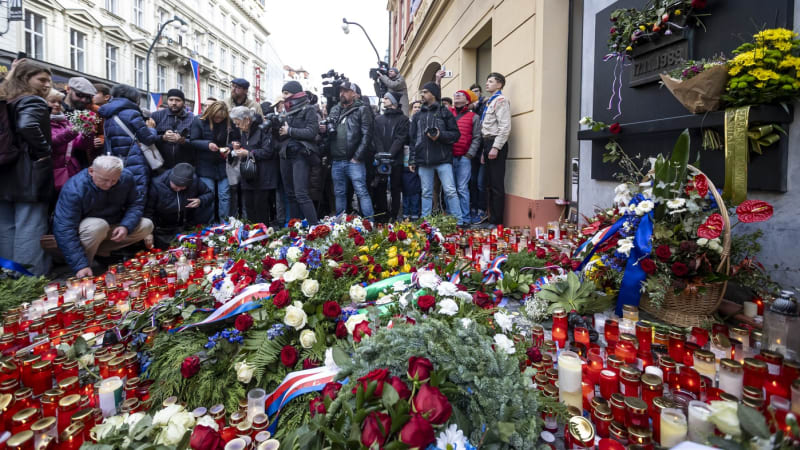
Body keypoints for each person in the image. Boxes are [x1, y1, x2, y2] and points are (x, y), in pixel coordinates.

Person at [54, 155, 153, 277]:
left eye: (114, 180)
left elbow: (135, 204)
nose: (109, 184)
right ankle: (84, 269)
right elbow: (64, 228)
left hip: (111, 225)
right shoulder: (75, 189)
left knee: (146, 225)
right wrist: (80, 265)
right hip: (87, 230)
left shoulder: (126, 178)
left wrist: (126, 226)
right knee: (98, 226)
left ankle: (102, 252)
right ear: (91, 171)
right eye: (104, 180)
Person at [0, 60, 54, 275]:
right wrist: (44, 151)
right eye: (42, 80)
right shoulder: (32, 100)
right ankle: (27, 280)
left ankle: (8, 278)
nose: (47, 85)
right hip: (29, 173)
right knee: (30, 227)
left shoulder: (7, 100)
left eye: (49, 81)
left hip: (6, 172)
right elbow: (27, 125)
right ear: (25, 78)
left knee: (6, 228)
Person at [408, 81, 463, 224]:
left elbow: (456, 135)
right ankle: (425, 223)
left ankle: (459, 222)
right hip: (423, 161)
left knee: (450, 191)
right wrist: (412, 160)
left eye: (425, 92)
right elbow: (412, 140)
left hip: (443, 159)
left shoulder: (444, 112)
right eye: (422, 92)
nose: (422, 94)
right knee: (426, 193)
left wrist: (440, 135)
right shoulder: (417, 116)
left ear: (433, 94)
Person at [324, 81, 374, 219]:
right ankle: (340, 225)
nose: (342, 93)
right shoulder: (335, 110)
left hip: (354, 161)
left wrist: (357, 157)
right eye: (341, 91)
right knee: (339, 193)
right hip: (337, 160)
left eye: (345, 91)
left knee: (361, 192)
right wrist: (324, 129)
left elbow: (367, 135)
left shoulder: (362, 109)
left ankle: (369, 223)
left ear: (354, 93)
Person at [98, 84, 157, 199]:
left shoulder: (108, 113)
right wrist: (151, 129)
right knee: (137, 193)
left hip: (115, 159)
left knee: (119, 192)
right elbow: (148, 139)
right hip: (134, 158)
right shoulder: (132, 113)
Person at [276, 80, 319, 224]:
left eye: (286, 93)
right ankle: (295, 228)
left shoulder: (309, 109)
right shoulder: (285, 112)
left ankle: (315, 228)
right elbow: (280, 136)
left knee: (301, 194)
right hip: (285, 154)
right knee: (290, 195)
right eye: (283, 93)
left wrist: (290, 131)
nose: (283, 96)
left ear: (296, 94)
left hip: (301, 154)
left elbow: (312, 132)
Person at [144, 163, 212, 249]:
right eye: (176, 186)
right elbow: (148, 210)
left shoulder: (194, 180)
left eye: (183, 187)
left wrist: (200, 200)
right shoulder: (157, 184)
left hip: (187, 226)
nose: (179, 189)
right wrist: (148, 232)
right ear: (171, 179)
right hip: (163, 229)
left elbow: (209, 194)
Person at [230, 106, 279, 225]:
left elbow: (268, 152)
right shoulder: (244, 131)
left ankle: (262, 232)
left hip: (262, 176)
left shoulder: (263, 129)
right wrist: (238, 148)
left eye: (238, 123)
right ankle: (253, 232)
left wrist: (249, 153)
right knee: (249, 206)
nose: (236, 126)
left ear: (247, 120)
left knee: (260, 207)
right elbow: (248, 147)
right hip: (249, 176)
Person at [190, 101, 232, 223]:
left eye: (221, 118)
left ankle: (225, 224)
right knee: (209, 194)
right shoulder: (199, 121)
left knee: (225, 195)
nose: (218, 120)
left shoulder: (228, 122)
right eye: (216, 117)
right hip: (205, 164)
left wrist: (229, 147)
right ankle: (208, 224)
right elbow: (193, 140)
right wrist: (207, 145)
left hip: (223, 164)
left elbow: (234, 139)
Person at [372, 91, 408, 223]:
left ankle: (394, 214)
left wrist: (389, 155)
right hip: (381, 159)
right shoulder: (378, 119)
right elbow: (376, 138)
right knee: (381, 186)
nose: (384, 99)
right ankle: (383, 213)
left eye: (387, 98)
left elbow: (400, 138)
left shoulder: (403, 119)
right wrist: (382, 155)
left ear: (393, 101)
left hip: (396, 159)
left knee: (395, 187)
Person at [481, 72, 511, 226]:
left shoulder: (501, 101)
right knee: (489, 184)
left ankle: (497, 222)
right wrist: (484, 151)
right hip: (487, 143)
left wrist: (496, 147)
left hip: (495, 143)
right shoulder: (490, 101)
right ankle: (491, 218)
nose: (487, 84)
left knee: (497, 185)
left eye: (491, 81)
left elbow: (504, 126)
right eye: (487, 81)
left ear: (499, 84)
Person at [47, 89, 92, 191]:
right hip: (52, 170)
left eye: (59, 102)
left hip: (70, 169)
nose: (57, 105)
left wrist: (88, 132)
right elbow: (52, 141)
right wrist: (73, 130)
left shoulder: (65, 121)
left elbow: (80, 145)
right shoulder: (43, 122)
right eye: (53, 101)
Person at [449, 89, 481, 226]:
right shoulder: (447, 113)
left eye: (461, 94)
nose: (457, 95)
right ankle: (452, 218)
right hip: (448, 158)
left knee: (462, 188)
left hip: (464, 157)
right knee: (450, 189)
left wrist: (469, 155)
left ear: (467, 101)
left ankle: (465, 218)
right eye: (456, 94)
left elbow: (477, 137)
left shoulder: (474, 117)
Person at [146, 89, 194, 170]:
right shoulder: (156, 116)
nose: (174, 103)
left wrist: (182, 141)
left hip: (184, 165)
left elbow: (195, 141)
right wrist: (163, 137)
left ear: (183, 102)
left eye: (177, 100)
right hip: (161, 165)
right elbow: (148, 139)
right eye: (171, 100)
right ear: (167, 100)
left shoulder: (192, 118)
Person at [90, 83, 111, 164]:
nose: (92, 96)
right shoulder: (92, 109)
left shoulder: (109, 112)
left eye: (95, 93)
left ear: (106, 97)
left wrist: (101, 139)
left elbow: (105, 132)